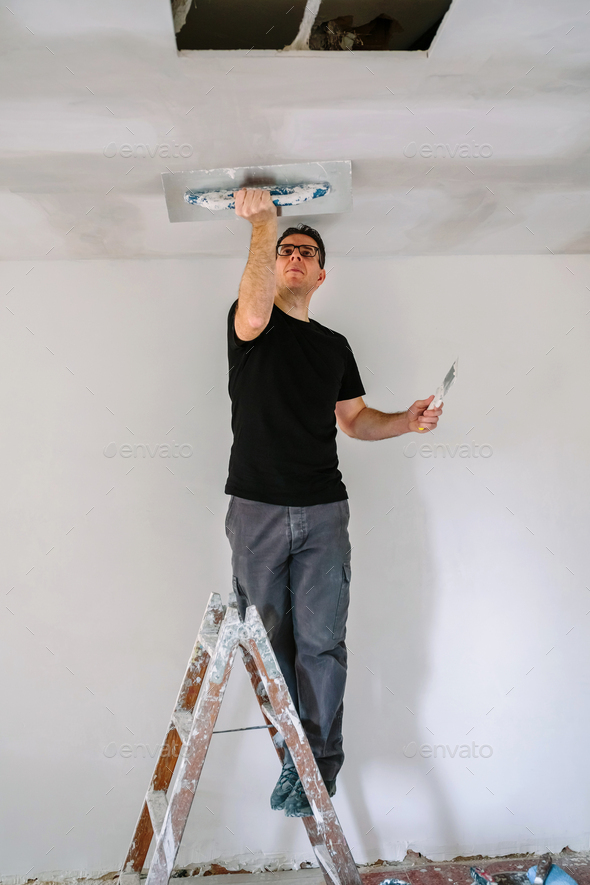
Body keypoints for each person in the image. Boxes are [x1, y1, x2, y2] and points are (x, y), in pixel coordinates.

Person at [224, 188, 443, 817]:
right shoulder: (250, 323)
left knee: (322, 642)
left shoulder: (334, 346)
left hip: (323, 512)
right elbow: (254, 313)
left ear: (322, 274)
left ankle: (319, 768)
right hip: (257, 510)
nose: (294, 257)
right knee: (268, 644)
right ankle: (290, 757)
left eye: (306, 252)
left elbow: (354, 421)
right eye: (287, 249)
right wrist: (263, 226)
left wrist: (407, 420)